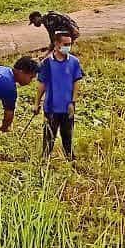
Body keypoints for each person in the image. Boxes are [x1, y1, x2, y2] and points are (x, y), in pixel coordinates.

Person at [36, 32, 84, 161]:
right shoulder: (46, 63)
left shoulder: (74, 62)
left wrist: (73, 102)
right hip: (51, 108)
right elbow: (41, 84)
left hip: (67, 107)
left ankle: (70, 159)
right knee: (48, 138)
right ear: (57, 44)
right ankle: (45, 161)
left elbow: (76, 82)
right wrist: (36, 103)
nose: (68, 47)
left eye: (70, 44)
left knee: (67, 136)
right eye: (65, 44)